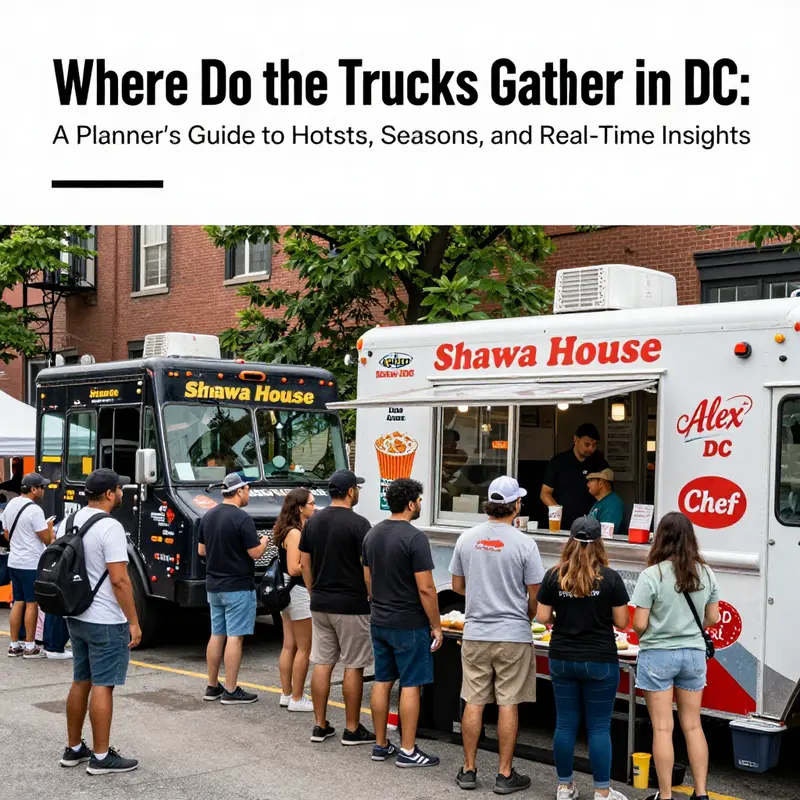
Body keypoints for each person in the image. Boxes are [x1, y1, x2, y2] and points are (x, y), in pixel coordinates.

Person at [449, 476, 545, 794]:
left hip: (476, 631)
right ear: (516, 505)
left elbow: (458, 586)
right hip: (513, 634)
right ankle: (504, 775)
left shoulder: (466, 538)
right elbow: (536, 594)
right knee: (508, 703)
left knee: (473, 701)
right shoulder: (524, 544)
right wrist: (525, 614)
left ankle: (468, 769)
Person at [536, 516, 631, 800]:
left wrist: (561, 616)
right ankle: (602, 792)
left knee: (565, 723)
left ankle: (564, 787)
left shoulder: (555, 574)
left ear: (570, 541)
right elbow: (623, 622)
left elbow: (542, 617)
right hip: (600, 659)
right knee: (599, 727)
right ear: (599, 542)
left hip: (563, 657)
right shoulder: (610, 578)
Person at [632, 512, 720, 800]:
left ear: (661, 538)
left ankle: (666, 795)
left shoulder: (652, 575)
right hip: (694, 655)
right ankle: (702, 793)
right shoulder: (705, 572)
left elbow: (640, 624)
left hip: (658, 654)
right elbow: (713, 618)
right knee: (693, 725)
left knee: (662, 727)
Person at [61, 468, 142, 775]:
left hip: (77, 614)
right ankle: (100, 756)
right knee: (103, 686)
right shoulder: (110, 528)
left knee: (81, 680)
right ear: (110, 494)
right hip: (106, 619)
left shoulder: (69, 521)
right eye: (119, 489)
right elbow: (120, 580)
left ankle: (74, 748)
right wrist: (133, 621)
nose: (122, 493)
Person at [362, 478, 443, 767]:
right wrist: (436, 624)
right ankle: (408, 750)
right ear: (411, 504)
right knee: (411, 683)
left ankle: (381, 744)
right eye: (419, 500)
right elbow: (426, 588)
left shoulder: (372, 534)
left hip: (380, 619)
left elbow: (368, 579)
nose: (421, 504)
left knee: (382, 680)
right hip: (408, 621)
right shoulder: (415, 538)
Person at [299, 469, 375, 746]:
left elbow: (305, 564)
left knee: (322, 663)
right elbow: (367, 568)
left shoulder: (313, 523)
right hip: (351, 604)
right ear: (351, 491)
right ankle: (352, 729)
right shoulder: (359, 524)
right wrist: (370, 595)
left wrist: (312, 591)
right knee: (353, 666)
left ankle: (319, 725)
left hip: (320, 602)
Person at [199, 472, 269, 705]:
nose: (249, 493)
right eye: (248, 489)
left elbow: (201, 551)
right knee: (235, 638)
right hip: (238, 585)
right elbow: (255, 553)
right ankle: (230, 689)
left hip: (213, 585)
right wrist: (265, 542)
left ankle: (212, 686)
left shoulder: (208, 516)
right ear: (239, 491)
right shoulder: (242, 519)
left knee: (216, 634)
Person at [273, 487, 316, 712]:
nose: (315, 507)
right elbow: (293, 568)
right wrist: (312, 564)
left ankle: (287, 693)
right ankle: (297, 698)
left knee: (289, 645)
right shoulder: (295, 533)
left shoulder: (285, 530)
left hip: (286, 594)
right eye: (311, 503)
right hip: (298, 592)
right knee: (303, 648)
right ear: (300, 507)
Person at [2, 472, 53, 658]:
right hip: (31, 563)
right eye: (42, 487)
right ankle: (30, 646)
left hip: (14, 561)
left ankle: (14, 644)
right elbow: (46, 539)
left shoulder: (11, 504)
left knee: (18, 602)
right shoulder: (35, 510)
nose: (44, 490)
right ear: (33, 489)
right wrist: (50, 527)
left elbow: (6, 534)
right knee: (32, 603)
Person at [541, 423, 609, 530]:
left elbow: (607, 493)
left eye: (594, 445)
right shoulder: (559, 462)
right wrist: (558, 514)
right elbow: (545, 493)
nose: (591, 449)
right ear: (576, 439)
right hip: (564, 524)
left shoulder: (599, 462)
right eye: (587, 444)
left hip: (592, 523)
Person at [586, 468, 625, 534]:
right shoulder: (598, 503)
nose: (587, 484)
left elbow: (605, 535)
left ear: (601, 483)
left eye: (591, 480)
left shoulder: (613, 504)